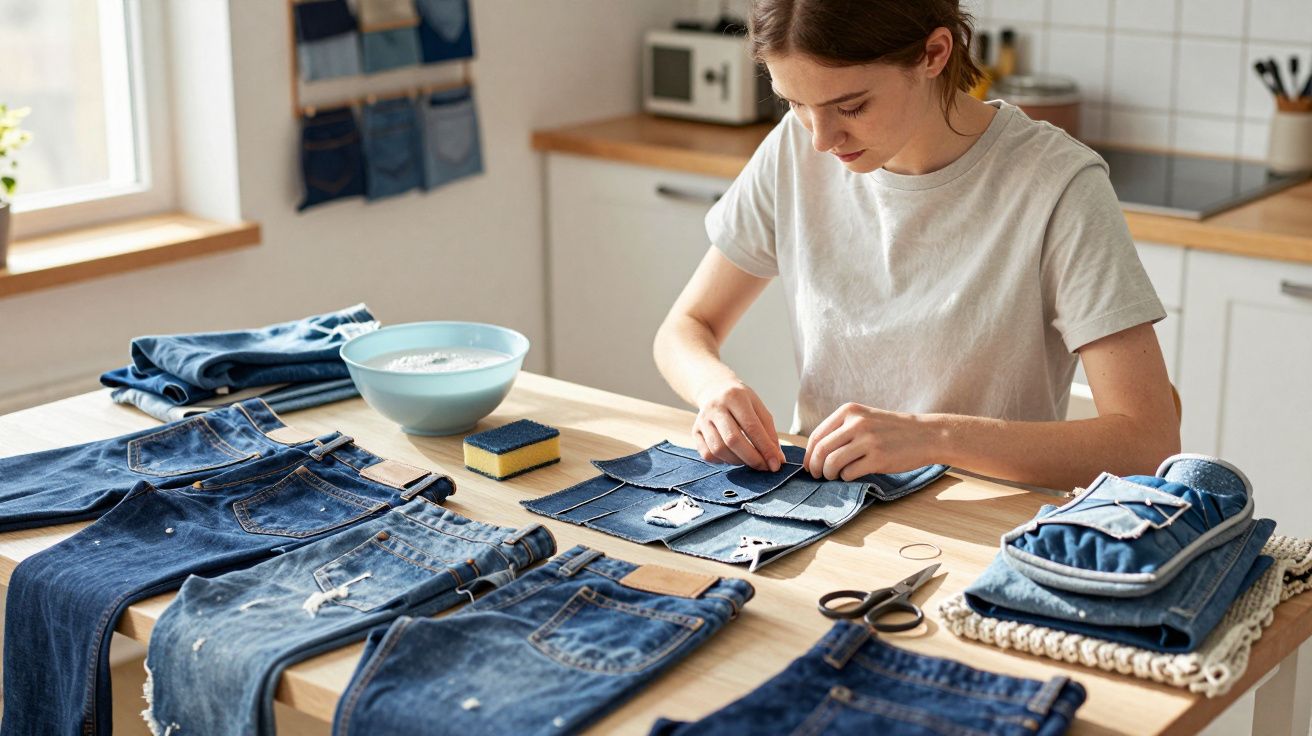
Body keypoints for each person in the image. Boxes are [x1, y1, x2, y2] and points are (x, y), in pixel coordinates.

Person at [652, 0, 1180, 491]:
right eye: (795, 103)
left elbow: (1148, 442)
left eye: (851, 106)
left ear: (934, 54)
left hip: (981, 527)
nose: (820, 139)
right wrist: (714, 388)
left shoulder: (1058, 185)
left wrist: (932, 437)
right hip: (821, 504)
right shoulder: (794, 148)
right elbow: (686, 327)